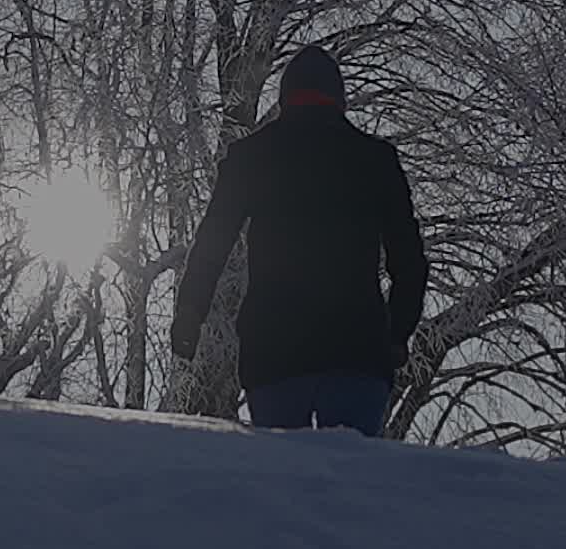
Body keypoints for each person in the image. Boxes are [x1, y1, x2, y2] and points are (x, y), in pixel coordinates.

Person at [168, 43, 427, 435]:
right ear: (339, 100)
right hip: (357, 350)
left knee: (283, 485)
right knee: (350, 483)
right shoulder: (375, 159)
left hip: (275, 350)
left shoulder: (251, 156)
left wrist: (190, 311)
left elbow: (212, 242)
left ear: (285, 99)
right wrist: (397, 332)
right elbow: (408, 257)